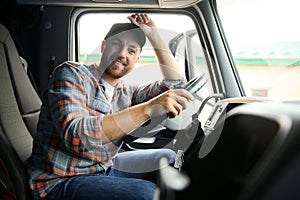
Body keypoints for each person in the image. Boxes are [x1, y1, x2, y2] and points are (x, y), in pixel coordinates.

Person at [26, 13, 194, 200]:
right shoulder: (71, 73)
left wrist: (153, 35)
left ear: (136, 59)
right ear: (104, 46)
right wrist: (148, 108)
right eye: (116, 44)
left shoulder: (126, 92)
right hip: (59, 181)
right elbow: (77, 137)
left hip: (102, 168)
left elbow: (176, 84)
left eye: (131, 51)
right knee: (146, 193)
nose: (123, 53)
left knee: (168, 159)